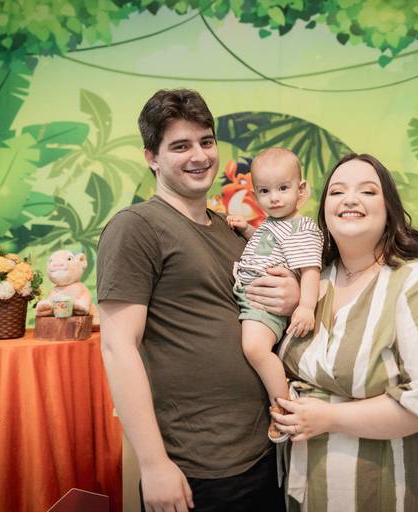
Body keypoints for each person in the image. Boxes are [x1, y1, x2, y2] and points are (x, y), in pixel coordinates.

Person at [96, 89, 298, 512]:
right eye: (180, 146)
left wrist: (292, 295)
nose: (199, 156)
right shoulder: (137, 227)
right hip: (196, 468)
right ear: (151, 157)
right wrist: (153, 464)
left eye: (206, 142)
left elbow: (260, 311)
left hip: (264, 454)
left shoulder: (233, 231)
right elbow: (118, 348)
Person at [271, 153, 418, 512]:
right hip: (309, 486)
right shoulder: (312, 284)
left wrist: (329, 418)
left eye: (367, 191)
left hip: (390, 486)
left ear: (389, 208)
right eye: (337, 192)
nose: (349, 199)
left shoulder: (415, 283)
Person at [226, 148, 323, 443]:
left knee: (255, 349)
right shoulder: (272, 224)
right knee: (251, 347)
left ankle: (281, 406)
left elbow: (310, 270)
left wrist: (306, 306)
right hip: (250, 298)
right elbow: (267, 247)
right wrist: (247, 230)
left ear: (301, 189)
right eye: (265, 191)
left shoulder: (301, 228)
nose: (274, 198)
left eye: (283, 188)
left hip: (264, 305)